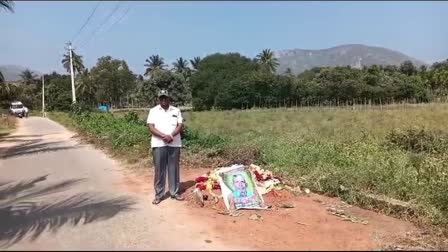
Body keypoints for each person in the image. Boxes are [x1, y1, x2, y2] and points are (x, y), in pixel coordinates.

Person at [147, 90, 184, 205]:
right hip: (159, 143)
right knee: (159, 170)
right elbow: (151, 127)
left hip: (174, 143)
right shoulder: (153, 111)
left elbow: (180, 125)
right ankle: (159, 194)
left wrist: (171, 135)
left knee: (174, 169)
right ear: (159, 99)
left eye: (165, 98)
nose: (163, 100)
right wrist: (163, 136)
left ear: (169, 99)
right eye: (161, 98)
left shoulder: (176, 110)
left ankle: (175, 192)